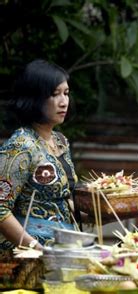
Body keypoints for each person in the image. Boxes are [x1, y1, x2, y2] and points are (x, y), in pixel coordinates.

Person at [0, 59, 77, 251]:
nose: (64, 101)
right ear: (35, 97)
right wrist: (34, 247)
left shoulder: (60, 141)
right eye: (54, 94)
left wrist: (104, 211)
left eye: (66, 93)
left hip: (62, 250)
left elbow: (59, 204)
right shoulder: (21, 146)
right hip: (29, 259)